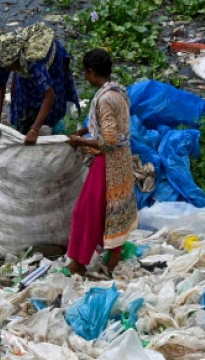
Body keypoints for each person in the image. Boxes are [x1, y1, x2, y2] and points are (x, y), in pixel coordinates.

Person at [65, 48, 137, 275]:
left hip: (107, 164)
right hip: (123, 160)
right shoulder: (119, 91)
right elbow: (113, 123)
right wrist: (88, 128)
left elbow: (108, 141)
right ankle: (114, 254)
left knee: (85, 212)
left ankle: (79, 262)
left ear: (92, 72)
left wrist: (80, 140)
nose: (86, 77)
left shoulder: (105, 99)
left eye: (86, 73)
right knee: (110, 210)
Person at [0, 23, 79, 145]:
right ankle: (25, 129)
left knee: (53, 111)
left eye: (9, 67)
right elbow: (0, 84)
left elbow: (50, 95)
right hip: (24, 72)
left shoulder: (33, 62)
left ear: (16, 59)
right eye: (4, 67)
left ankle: (55, 133)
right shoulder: (2, 59)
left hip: (51, 67)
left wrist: (35, 129)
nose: (6, 70)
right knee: (22, 106)